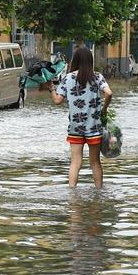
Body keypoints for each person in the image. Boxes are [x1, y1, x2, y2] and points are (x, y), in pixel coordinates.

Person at [48, 46, 112, 188]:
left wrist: (51, 88)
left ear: (75, 60)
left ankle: (72, 195)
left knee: (75, 162)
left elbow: (57, 100)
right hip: (94, 127)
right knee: (95, 162)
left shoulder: (68, 78)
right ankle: (98, 193)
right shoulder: (97, 77)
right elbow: (109, 93)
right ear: (90, 61)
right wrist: (103, 110)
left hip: (75, 127)